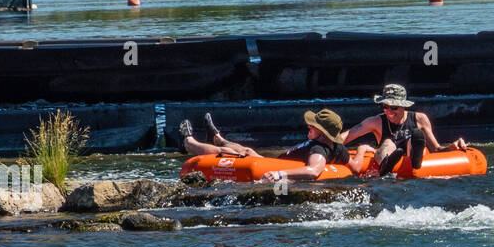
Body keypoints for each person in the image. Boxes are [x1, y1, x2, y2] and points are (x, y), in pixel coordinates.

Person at [180, 109, 373, 182]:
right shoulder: (338, 148)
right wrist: (363, 148)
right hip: (273, 161)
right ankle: (218, 138)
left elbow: (314, 170)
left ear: (321, 132)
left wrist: (281, 174)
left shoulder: (318, 149)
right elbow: (355, 167)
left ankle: (190, 142)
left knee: (227, 153)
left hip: (274, 167)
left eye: (312, 126)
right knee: (246, 150)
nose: (308, 126)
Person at [341, 84, 467, 177]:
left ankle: (414, 160)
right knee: (388, 143)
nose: (389, 112)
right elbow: (349, 134)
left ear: (403, 106)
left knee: (414, 137)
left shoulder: (419, 118)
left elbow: (436, 149)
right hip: (386, 155)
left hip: (411, 152)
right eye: (385, 107)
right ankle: (387, 165)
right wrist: (327, 145)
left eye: (394, 107)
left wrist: (453, 146)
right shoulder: (376, 121)